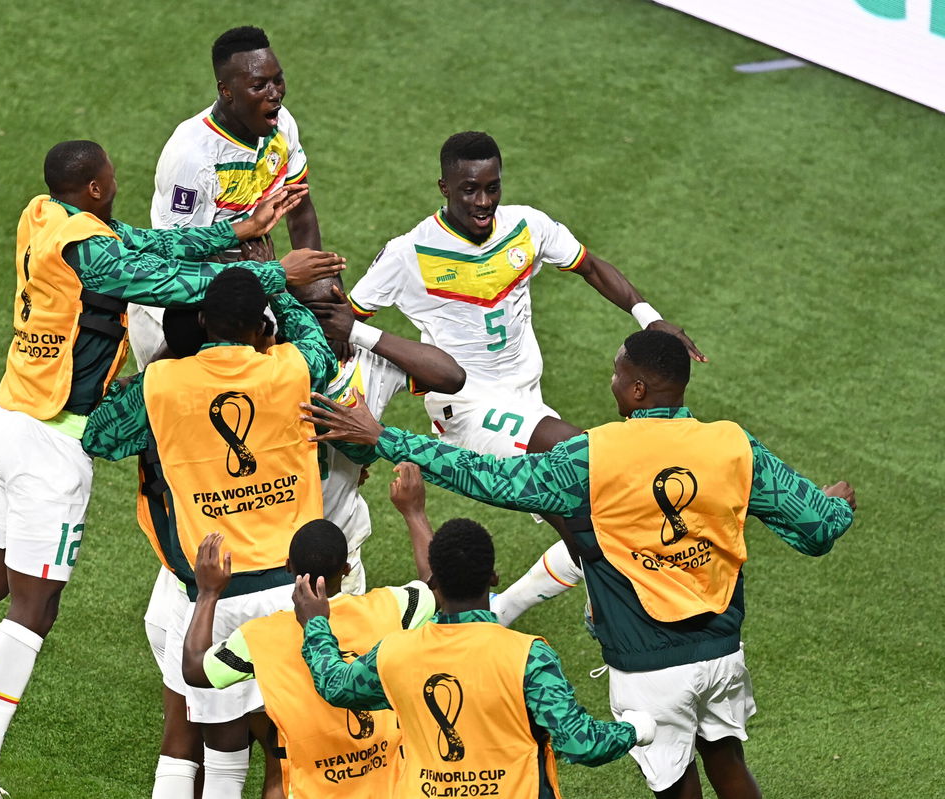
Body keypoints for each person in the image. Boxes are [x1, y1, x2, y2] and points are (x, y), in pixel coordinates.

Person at [0, 140, 344, 798]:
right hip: (52, 441)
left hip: (7, 415)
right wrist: (273, 276)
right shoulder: (93, 252)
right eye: (111, 181)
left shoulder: (45, 216)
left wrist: (239, 229)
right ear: (93, 188)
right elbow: (156, 279)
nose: (116, 186)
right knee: (37, 605)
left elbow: (148, 247)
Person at [301, 329, 857, 799]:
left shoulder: (590, 457)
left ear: (638, 388)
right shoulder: (733, 444)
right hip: (724, 655)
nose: (611, 381)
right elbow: (817, 529)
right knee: (728, 762)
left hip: (650, 665)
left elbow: (491, 478)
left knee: (677, 783)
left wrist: (385, 439)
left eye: (617, 374)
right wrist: (835, 503)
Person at [347, 130, 704, 622]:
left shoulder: (525, 227)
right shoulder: (409, 253)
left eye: (492, 187)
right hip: (466, 405)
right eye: (469, 189)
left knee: (582, 513)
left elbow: (592, 267)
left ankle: (504, 611)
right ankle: (625, 605)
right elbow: (346, 318)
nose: (483, 201)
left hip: (526, 396)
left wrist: (649, 316)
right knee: (579, 455)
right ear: (444, 187)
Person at [83, 266, 335, 799]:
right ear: (258, 326)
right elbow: (319, 345)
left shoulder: (163, 385)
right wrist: (278, 288)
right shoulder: (291, 368)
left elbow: (100, 437)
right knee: (291, 748)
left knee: (218, 747)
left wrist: (162, 365)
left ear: (202, 319)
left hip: (213, 590)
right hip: (296, 593)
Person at [294, 516, 656, 798]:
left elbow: (334, 685)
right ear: (494, 576)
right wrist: (636, 730)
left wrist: (316, 625)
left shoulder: (394, 653)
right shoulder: (528, 657)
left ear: (433, 581)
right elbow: (581, 743)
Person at [180, 465, 437, 798]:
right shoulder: (393, 607)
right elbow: (435, 583)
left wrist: (209, 593)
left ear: (288, 566)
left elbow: (195, 669)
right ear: (346, 570)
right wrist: (414, 512)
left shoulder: (259, 639)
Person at [128, 24, 321, 368]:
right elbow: (178, 255)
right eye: (259, 85)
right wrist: (270, 274)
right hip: (181, 304)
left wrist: (319, 291)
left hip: (246, 288)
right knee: (171, 403)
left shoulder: (281, 125)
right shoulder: (192, 157)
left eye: (277, 80)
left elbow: (301, 210)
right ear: (227, 91)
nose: (275, 93)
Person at [293, 276, 465, 594]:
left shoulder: (367, 362)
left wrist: (358, 331)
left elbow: (451, 376)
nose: (318, 326)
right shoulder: (270, 363)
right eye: (309, 314)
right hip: (270, 547)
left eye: (328, 314)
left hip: (339, 543)